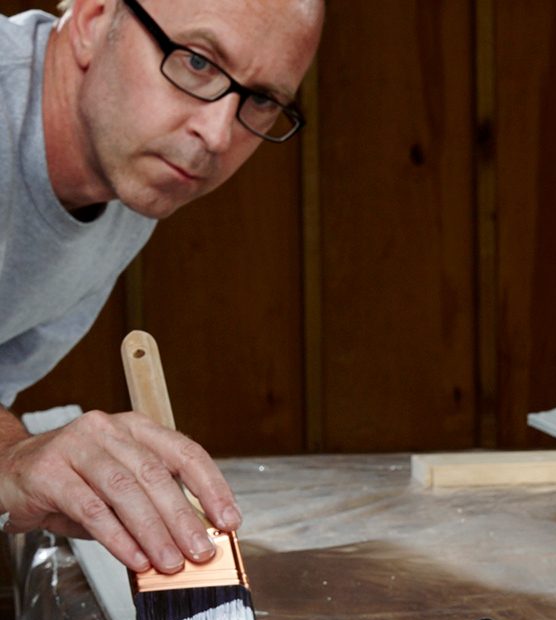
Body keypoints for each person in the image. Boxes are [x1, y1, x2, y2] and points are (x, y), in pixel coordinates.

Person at [0, 0, 322, 574]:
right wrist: (11, 458)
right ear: (95, 22)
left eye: (262, 100)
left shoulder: (136, 171)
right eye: (197, 62)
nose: (217, 134)